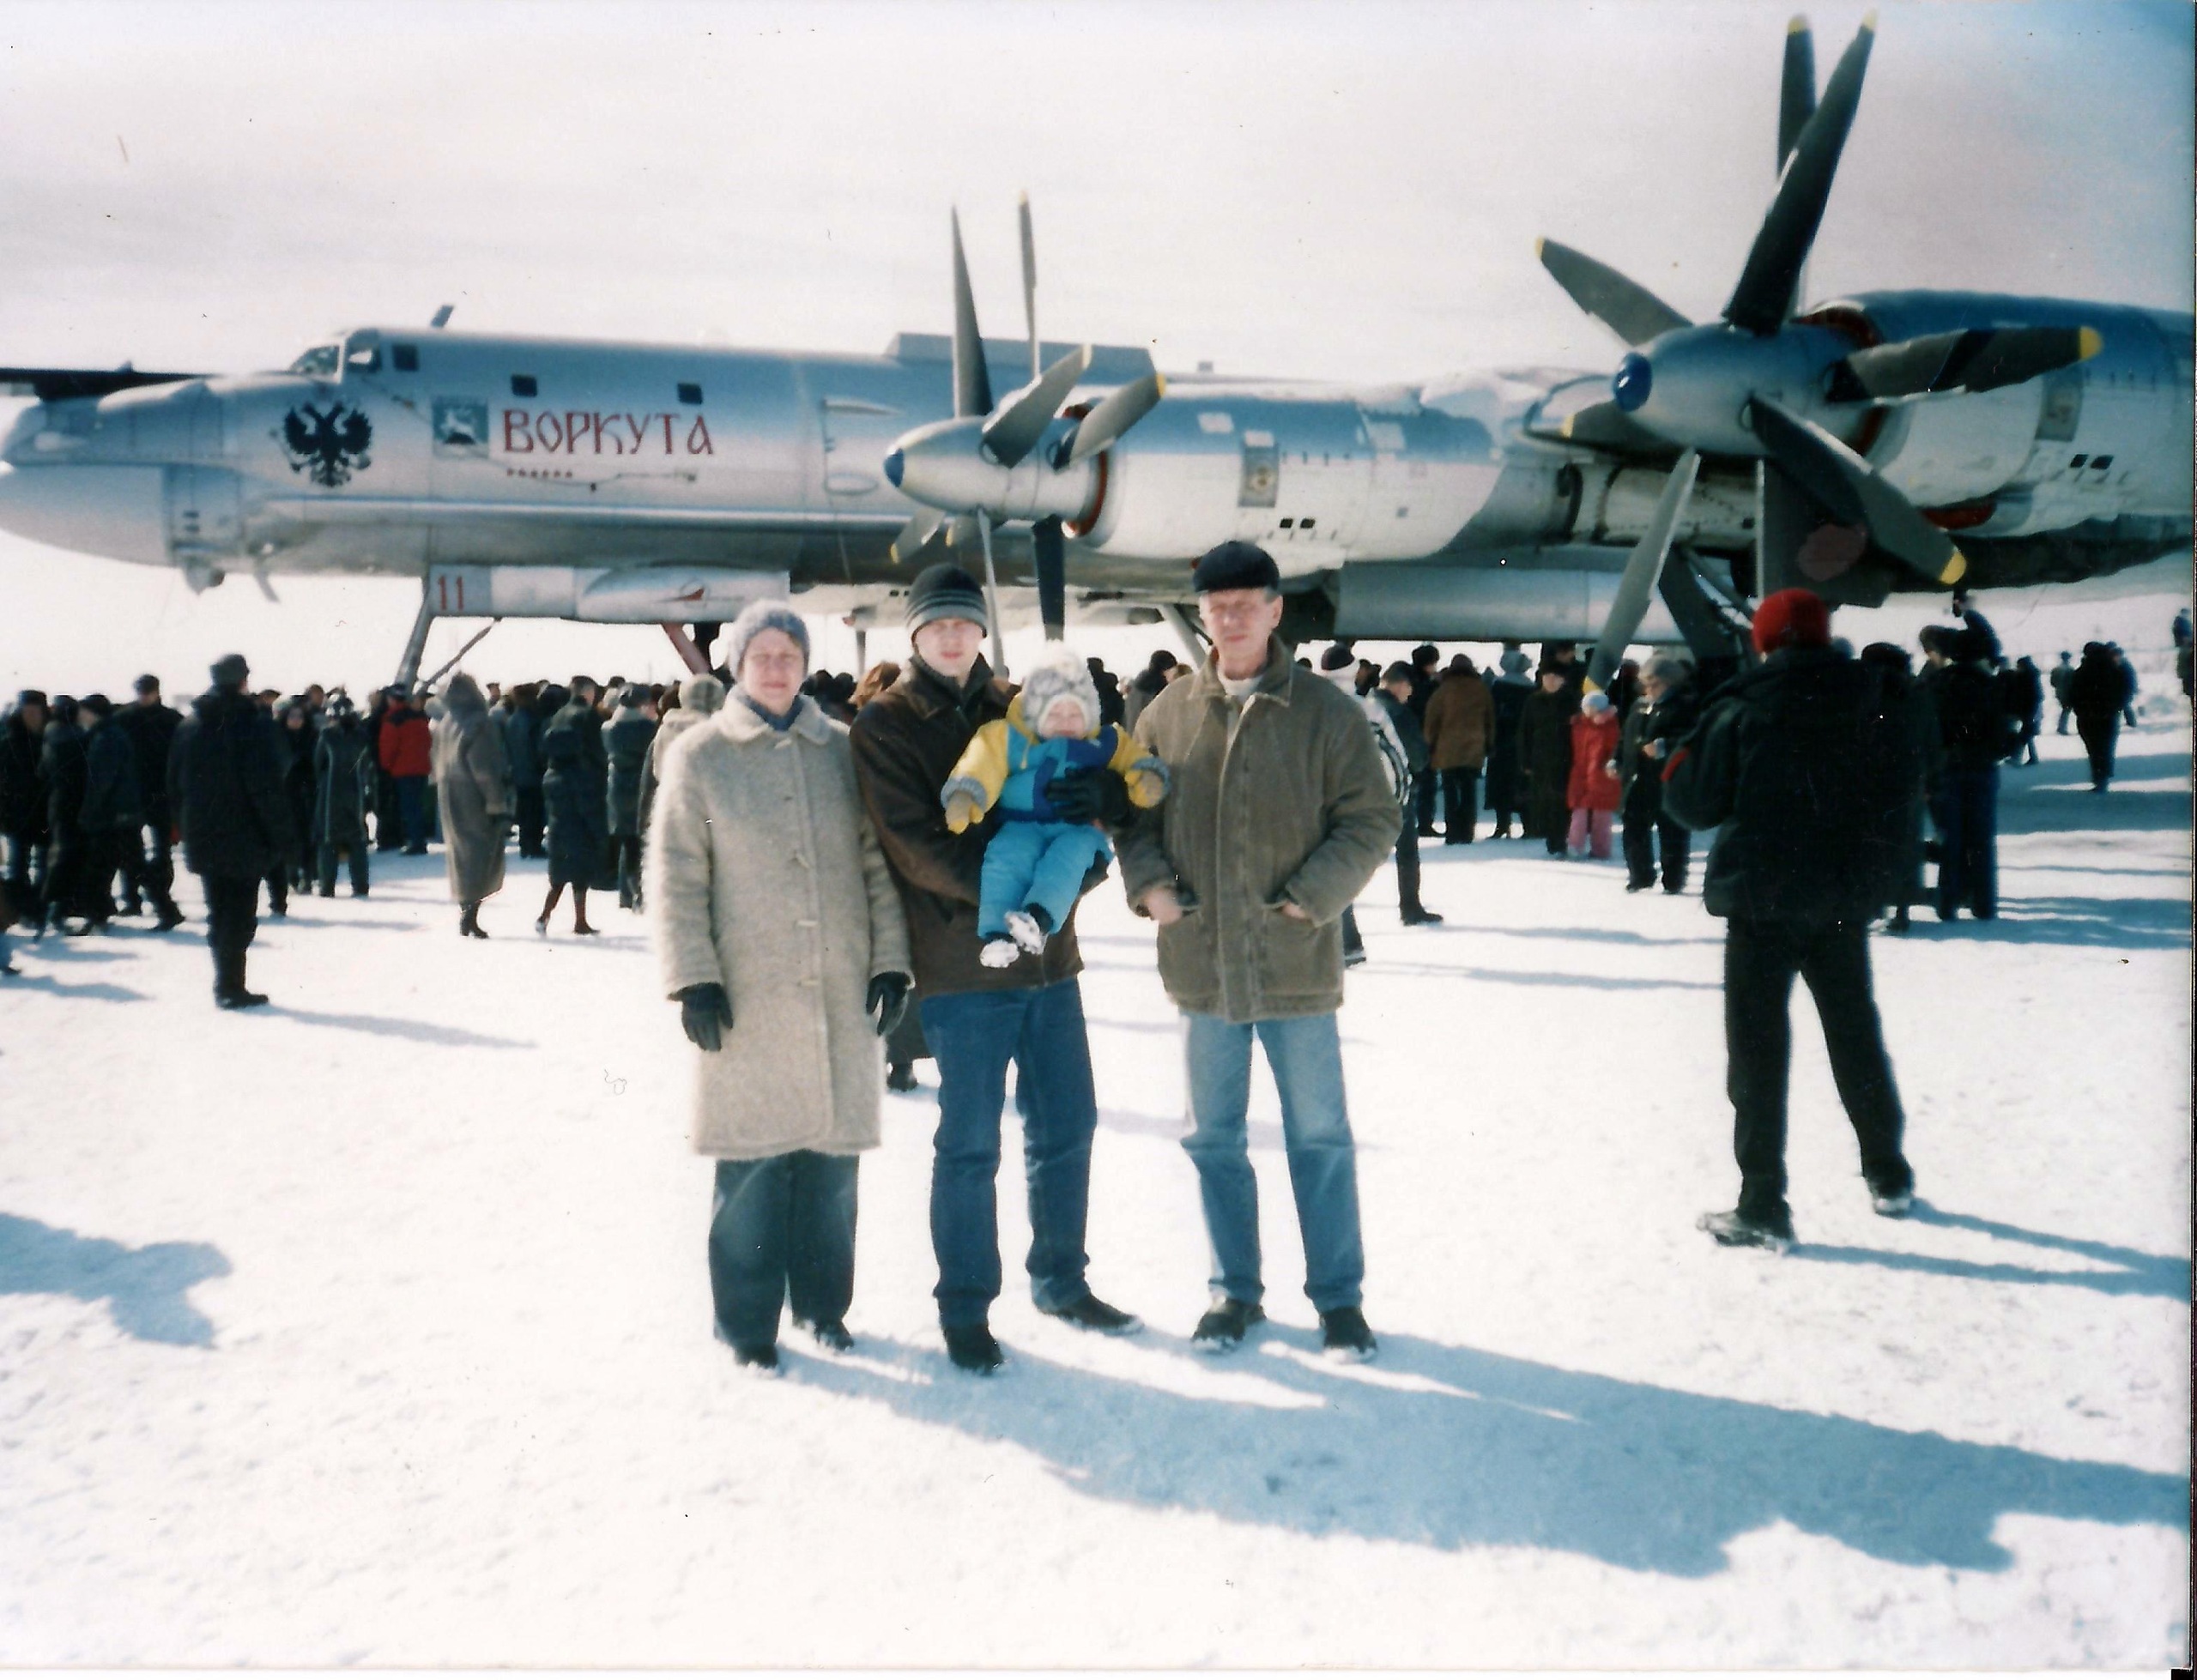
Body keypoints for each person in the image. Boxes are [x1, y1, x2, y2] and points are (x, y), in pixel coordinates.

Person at [850, 564, 1141, 1373]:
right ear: (914, 633)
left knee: (1068, 1124)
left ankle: (1061, 1279)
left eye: (964, 622)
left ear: (982, 629)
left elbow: (1089, 802)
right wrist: (1016, 902)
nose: (952, 636)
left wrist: (1102, 818)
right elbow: (915, 846)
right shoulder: (885, 723)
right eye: (935, 624)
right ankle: (966, 1306)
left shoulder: (1027, 703)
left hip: (1050, 963)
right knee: (971, 1145)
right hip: (964, 964)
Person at [1117, 541, 1397, 1361]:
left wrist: (1313, 896)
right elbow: (1133, 819)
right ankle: (1232, 1292)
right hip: (1202, 965)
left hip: (1293, 962)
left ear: (1276, 611)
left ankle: (1339, 1301)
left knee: (1319, 1137)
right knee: (1212, 1139)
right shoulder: (1167, 713)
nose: (1232, 618)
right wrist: (1150, 886)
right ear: (1202, 616)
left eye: (1248, 604)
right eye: (1218, 607)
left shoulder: (1324, 712)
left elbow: (1372, 818)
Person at [650, 601, 913, 1369]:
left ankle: (824, 1307)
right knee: (754, 1166)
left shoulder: (841, 750)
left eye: (788, 656)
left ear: (804, 664)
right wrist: (694, 978)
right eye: (761, 655)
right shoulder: (700, 756)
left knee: (832, 1167)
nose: (775, 668)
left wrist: (889, 960)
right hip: (749, 995)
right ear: (737, 664)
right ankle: (747, 1324)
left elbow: (876, 863)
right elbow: (676, 874)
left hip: (838, 988)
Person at [1662, 589, 1920, 1251]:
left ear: (1765, 640)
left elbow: (1693, 803)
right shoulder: (1872, 697)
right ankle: (1888, 1173)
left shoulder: (1744, 703)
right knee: (1855, 1036)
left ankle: (1762, 1202)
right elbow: (1905, 789)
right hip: (1840, 900)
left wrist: (1679, 753)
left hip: (1761, 901)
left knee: (1757, 1053)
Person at [940, 644, 1167, 967]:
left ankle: (1039, 917)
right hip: (1020, 824)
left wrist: (1146, 779)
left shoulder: (1103, 742)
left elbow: (1135, 759)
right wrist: (966, 795)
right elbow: (982, 762)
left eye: (1075, 715)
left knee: (1067, 860)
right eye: (1054, 714)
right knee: (1004, 860)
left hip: (1078, 828)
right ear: (1035, 715)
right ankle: (997, 934)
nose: (1065, 723)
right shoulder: (1010, 738)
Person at [169, 654, 294, 1007]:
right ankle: (231, 987)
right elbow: (267, 787)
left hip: (204, 835)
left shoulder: (190, 725)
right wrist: (282, 836)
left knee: (219, 912)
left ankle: (224, 983)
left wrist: (187, 826)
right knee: (239, 916)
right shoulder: (252, 724)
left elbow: (173, 784)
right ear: (243, 681)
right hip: (245, 836)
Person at [1928, 625, 2006, 922]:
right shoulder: (1990, 685)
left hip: (1946, 768)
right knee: (1982, 839)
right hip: (1981, 768)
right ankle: (1984, 903)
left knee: (1950, 837)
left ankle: (1948, 901)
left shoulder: (1936, 683)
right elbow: (2001, 733)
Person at [431, 674, 513, 939]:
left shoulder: (446, 721)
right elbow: (484, 768)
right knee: (480, 853)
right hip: (474, 798)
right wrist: (496, 803)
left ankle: (466, 910)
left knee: (461, 854)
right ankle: (471, 914)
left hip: (449, 795)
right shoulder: (479, 723)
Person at [1618, 652, 1697, 893]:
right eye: (1646, 683)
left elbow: (1691, 739)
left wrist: (1664, 746)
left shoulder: (1684, 707)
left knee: (1671, 830)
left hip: (1668, 779)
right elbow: (1626, 738)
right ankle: (1640, 875)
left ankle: (1673, 878)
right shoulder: (1639, 706)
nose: (1650, 689)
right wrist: (1617, 760)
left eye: (1655, 684)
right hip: (1638, 778)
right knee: (1634, 826)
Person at [537, 677, 609, 934]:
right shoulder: (588, 716)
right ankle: (579, 920)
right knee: (582, 861)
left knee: (561, 863)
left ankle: (545, 916)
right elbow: (597, 754)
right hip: (582, 788)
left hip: (557, 786)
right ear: (589, 692)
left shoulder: (559, 715)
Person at [115, 675, 184, 928]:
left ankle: (160, 895)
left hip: (161, 791)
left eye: (148, 691)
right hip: (134, 791)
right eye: (142, 691)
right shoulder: (125, 718)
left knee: (161, 850)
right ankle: (132, 899)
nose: (144, 696)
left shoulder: (171, 719)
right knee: (131, 850)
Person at [639, 671, 727, 848]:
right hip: (711, 818)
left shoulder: (666, 730)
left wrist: (645, 823)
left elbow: (650, 781)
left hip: (671, 811)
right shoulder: (721, 734)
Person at [74, 694, 138, 930]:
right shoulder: (111, 733)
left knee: (99, 867)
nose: (80, 716)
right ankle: (101, 912)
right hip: (118, 812)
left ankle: (97, 916)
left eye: (83, 711)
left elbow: (100, 781)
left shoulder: (105, 738)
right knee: (117, 864)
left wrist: (88, 812)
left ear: (93, 713)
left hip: (108, 814)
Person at [1421, 653, 1492, 843]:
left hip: (1448, 749)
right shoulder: (1481, 690)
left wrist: (1429, 743)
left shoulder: (1443, 690)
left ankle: (1453, 832)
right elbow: (1490, 719)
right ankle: (1467, 831)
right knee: (1469, 791)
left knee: (1450, 792)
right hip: (1473, 748)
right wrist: (1489, 743)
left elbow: (1431, 720)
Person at [35, 697, 88, 936]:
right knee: (69, 857)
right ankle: (57, 909)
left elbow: (42, 773)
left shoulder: (50, 734)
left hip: (57, 802)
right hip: (75, 803)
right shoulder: (76, 736)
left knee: (60, 855)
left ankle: (51, 908)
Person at [312, 693, 373, 897]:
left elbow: (318, 764)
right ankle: (360, 886)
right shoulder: (362, 736)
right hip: (355, 794)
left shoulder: (327, 735)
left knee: (329, 840)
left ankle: (326, 886)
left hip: (330, 795)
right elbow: (367, 765)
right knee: (357, 840)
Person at [603, 684, 658, 911]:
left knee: (627, 843)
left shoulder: (609, 727)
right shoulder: (648, 728)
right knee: (642, 844)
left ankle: (625, 894)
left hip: (617, 788)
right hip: (640, 787)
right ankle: (639, 893)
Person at [1517, 663, 1577, 854]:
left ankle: (1559, 840)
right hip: (1540, 759)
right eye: (1547, 677)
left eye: (1555, 677)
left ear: (1563, 680)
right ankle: (1549, 838)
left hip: (1566, 759)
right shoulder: (1533, 700)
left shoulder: (1571, 701)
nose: (1550, 681)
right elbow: (1525, 731)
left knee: (1561, 802)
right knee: (1544, 801)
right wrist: (1525, 760)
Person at [2, 689, 48, 928]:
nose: (31, 716)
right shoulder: (8, 743)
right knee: (18, 866)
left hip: (45, 815)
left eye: (35, 711)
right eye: (26, 712)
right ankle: (22, 910)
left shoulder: (50, 740)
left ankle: (38, 910)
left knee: (44, 865)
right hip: (16, 815)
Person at [1565, 691, 1622, 859]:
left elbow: (1614, 749)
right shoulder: (1579, 724)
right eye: (1587, 707)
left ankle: (1601, 849)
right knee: (1579, 814)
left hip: (1602, 775)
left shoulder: (1610, 726)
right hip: (1581, 774)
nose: (1589, 710)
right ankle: (1575, 847)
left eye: (1593, 707)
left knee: (1601, 815)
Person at [1483, 649, 1533, 838]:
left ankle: (1502, 825)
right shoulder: (1531, 687)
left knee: (1500, 785)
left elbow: (1491, 714)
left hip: (1501, 742)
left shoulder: (1498, 686)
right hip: (1523, 743)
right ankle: (1528, 825)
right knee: (1522, 784)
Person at [377, 688, 433, 855]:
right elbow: (427, 741)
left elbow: (388, 746)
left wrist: (386, 766)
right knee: (417, 805)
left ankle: (416, 842)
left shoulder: (393, 719)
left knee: (409, 806)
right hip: (421, 767)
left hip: (403, 769)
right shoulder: (420, 717)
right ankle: (418, 839)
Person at [2067, 642, 2127, 791]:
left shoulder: (2082, 671)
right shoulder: (2114, 669)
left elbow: (2073, 694)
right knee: (2107, 746)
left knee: (2093, 748)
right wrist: (2115, 708)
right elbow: (2123, 691)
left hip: (2087, 716)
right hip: (2109, 715)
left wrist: (2080, 710)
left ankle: (2098, 776)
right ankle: (2104, 775)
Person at [503, 683, 548, 859]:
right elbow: (537, 747)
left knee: (524, 810)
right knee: (535, 811)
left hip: (518, 771)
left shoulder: (513, 719)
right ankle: (534, 845)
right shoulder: (533, 719)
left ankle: (525, 844)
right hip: (533, 772)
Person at [2001, 656, 2044, 767]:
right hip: (2031, 710)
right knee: (2028, 734)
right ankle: (2032, 757)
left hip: (2030, 710)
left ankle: (2017, 758)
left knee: (2025, 735)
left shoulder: (2027, 677)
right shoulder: (2030, 676)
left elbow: (2030, 696)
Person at [1121, 649, 1177, 732]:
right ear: (1164, 669)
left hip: (1133, 731)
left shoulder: (1140, 683)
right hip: (1143, 733)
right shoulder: (1156, 689)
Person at [2049, 650, 2076, 734]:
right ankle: (2062, 728)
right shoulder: (2071, 669)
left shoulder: (2056, 669)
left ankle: (2061, 727)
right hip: (2068, 693)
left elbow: (2052, 683)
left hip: (2059, 693)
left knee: (2065, 710)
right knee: (2066, 710)